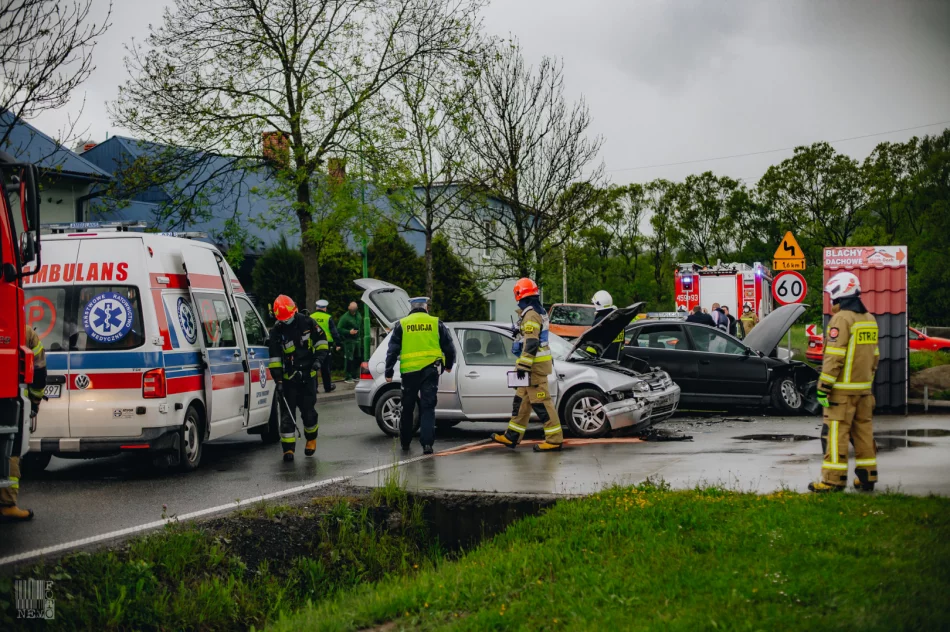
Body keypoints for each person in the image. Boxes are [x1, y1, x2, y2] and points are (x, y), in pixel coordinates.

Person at [808, 272, 879, 493]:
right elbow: (875, 356)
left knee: (835, 433)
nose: (831, 300)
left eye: (832, 295)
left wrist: (823, 387)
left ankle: (832, 480)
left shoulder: (841, 319)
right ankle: (868, 476)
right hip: (864, 390)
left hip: (841, 393)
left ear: (839, 293)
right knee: (864, 433)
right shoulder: (869, 319)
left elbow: (834, 358)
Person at [492, 278, 564, 452]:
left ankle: (554, 439)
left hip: (534, 369)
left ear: (519, 294)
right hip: (532, 367)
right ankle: (512, 436)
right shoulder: (535, 312)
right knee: (521, 401)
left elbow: (531, 343)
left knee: (541, 403)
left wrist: (523, 367)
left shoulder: (531, 314)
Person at [385, 297, 456, 455]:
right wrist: (449, 365)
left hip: (409, 372)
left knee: (407, 407)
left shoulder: (402, 324)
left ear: (410, 308)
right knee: (428, 407)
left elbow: (392, 350)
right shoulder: (436, 323)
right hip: (430, 370)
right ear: (426, 308)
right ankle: (427, 445)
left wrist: (388, 371)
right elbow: (449, 347)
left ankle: (405, 442)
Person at [268, 295, 328, 462]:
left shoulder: (307, 323)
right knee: (287, 415)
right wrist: (278, 380)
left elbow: (322, 343)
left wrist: (318, 361)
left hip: (308, 376)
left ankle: (311, 439)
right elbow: (274, 358)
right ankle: (288, 449)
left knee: (308, 413)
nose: (286, 320)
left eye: (288, 317)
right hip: (288, 380)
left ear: (294, 311)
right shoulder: (276, 331)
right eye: (283, 319)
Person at [1, 326, 45, 522]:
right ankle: (7, 505)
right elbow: (39, 369)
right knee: (10, 450)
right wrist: (35, 402)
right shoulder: (21, 328)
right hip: (10, 400)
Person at [311, 299, 341, 393]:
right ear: (325, 308)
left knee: (313, 366)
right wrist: (338, 343)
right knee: (325, 367)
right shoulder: (328, 317)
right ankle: (327, 387)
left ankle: (314, 388)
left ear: (316, 307)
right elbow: (334, 332)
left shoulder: (311, 317)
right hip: (325, 345)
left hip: (313, 344)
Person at [590, 290, 624, 360]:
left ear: (598, 304)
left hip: (602, 362)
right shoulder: (619, 320)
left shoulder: (599, 322)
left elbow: (593, 345)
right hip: (616, 360)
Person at [338, 302, 362, 383]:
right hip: (349, 340)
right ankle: (348, 376)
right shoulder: (345, 317)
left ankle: (355, 375)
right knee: (349, 358)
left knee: (357, 357)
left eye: (354, 309)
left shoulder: (358, 315)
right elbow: (339, 329)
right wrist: (349, 332)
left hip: (357, 339)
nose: (352, 310)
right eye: (351, 308)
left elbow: (360, 325)